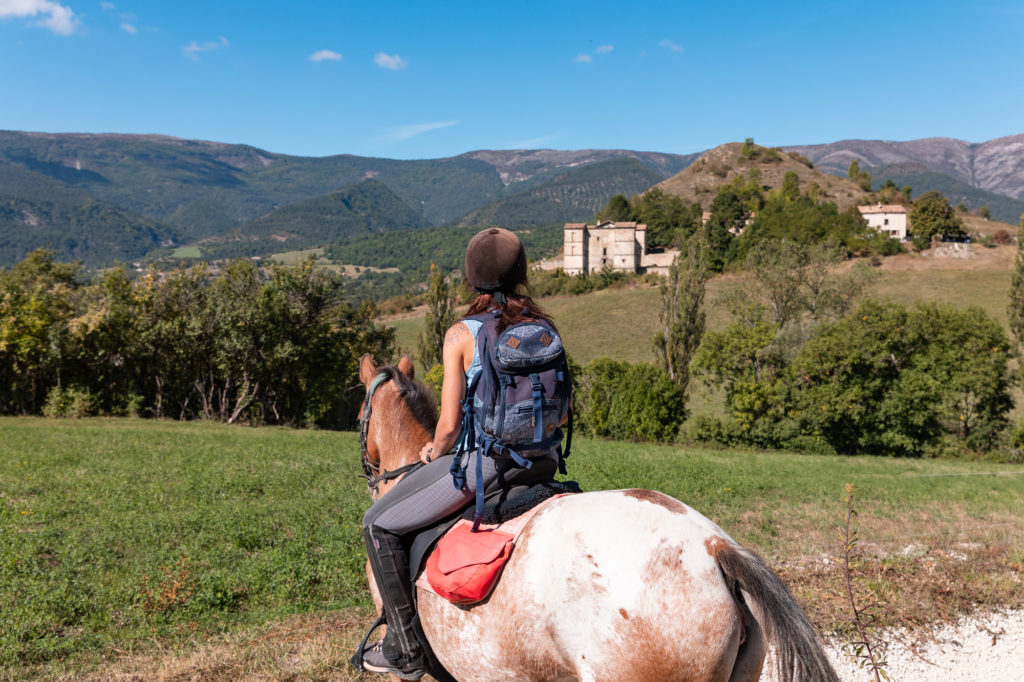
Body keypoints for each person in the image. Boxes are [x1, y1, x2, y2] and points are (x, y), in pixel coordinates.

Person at [360, 228, 563, 679]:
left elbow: (449, 427)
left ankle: (405, 648)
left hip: (487, 467)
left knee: (377, 524)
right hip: (547, 460)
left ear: (471, 280)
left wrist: (435, 448)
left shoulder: (461, 334)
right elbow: (560, 411)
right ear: (522, 273)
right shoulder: (544, 327)